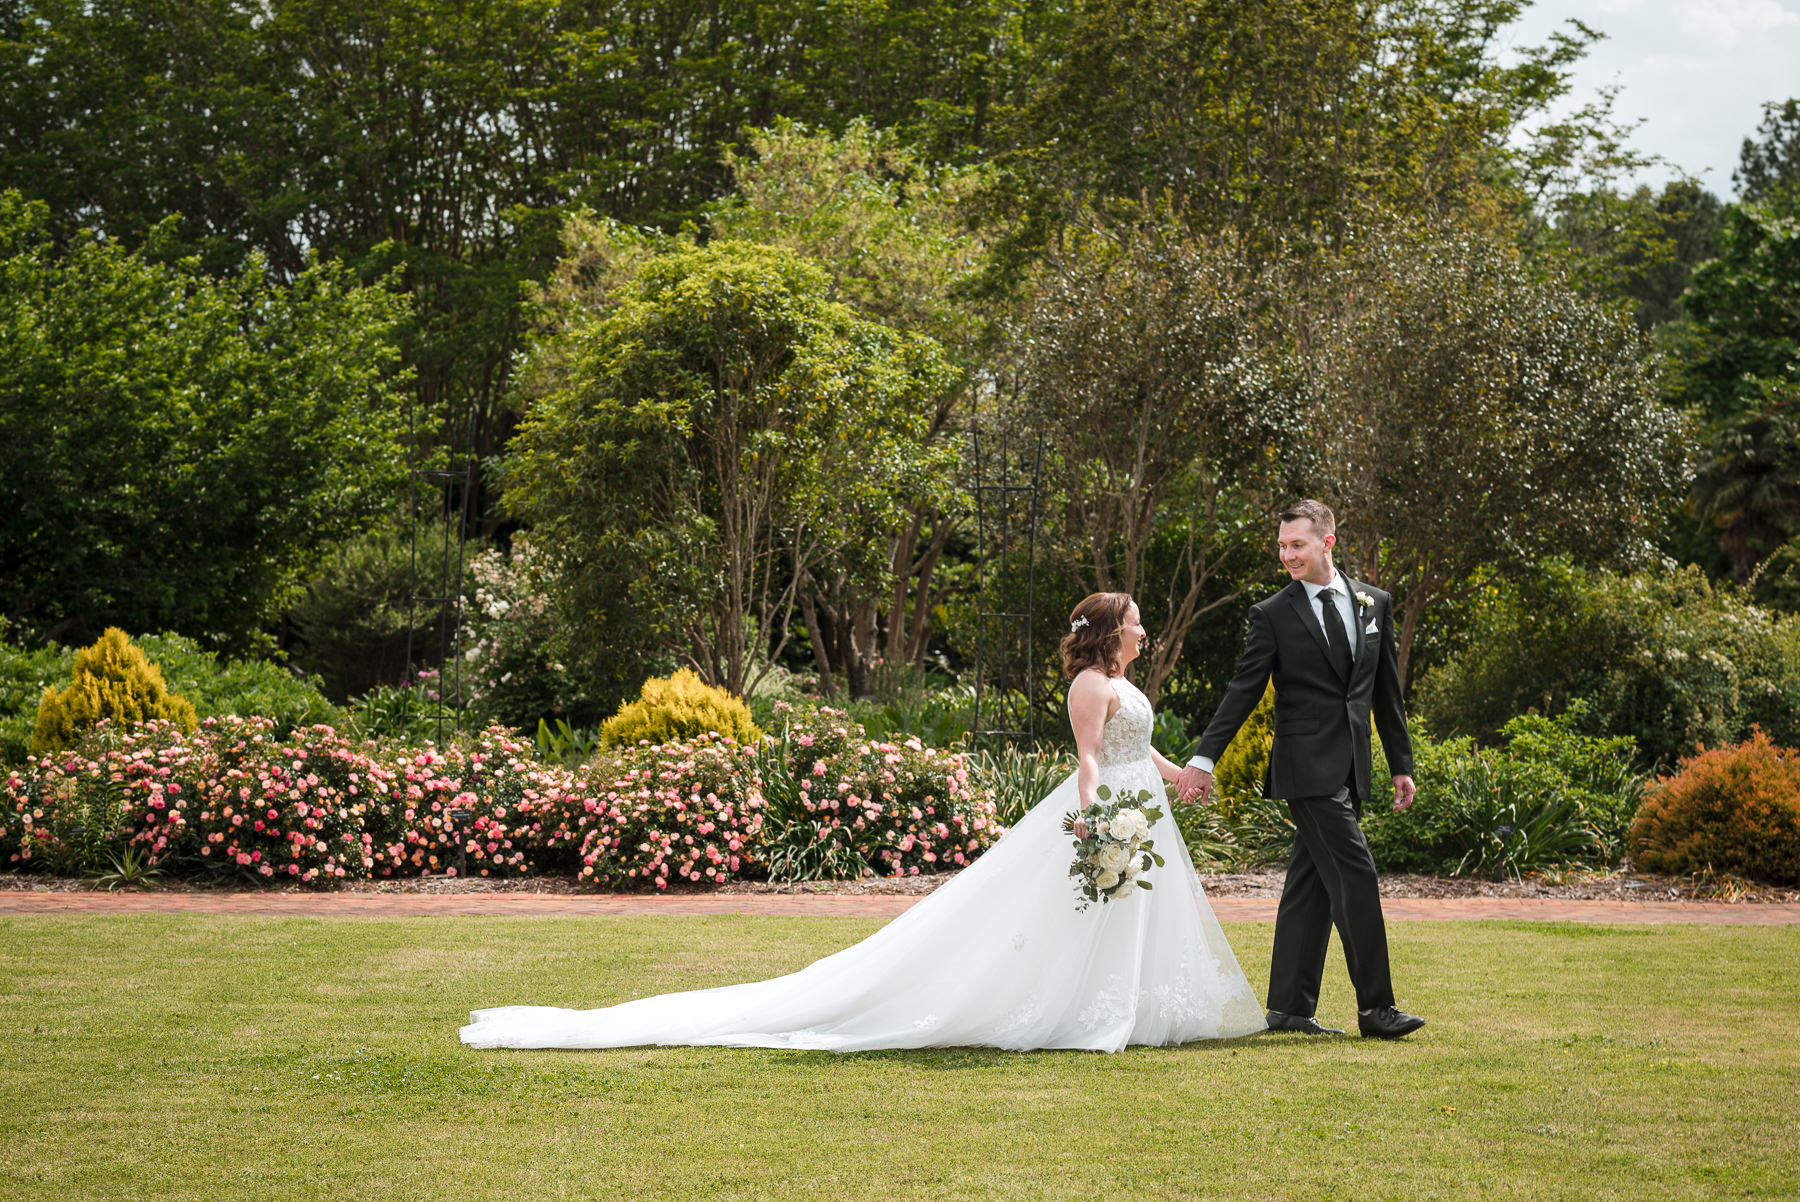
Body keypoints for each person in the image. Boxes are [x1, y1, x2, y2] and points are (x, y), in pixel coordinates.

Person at [460, 592, 1265, 1052]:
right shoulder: (1091, 684)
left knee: (1136, 913)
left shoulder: (1128, 682)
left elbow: (1138, 745)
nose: (1142, 627)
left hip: (1146, 805)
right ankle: (1095, 1014)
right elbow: (1090, 759)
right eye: (1133, 620)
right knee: (1082, 913)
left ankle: (1134, 1006)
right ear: (1108, 631)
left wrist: (1177, 776)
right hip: (1108, 811)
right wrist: (1091, 823)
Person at [1176, 499, 1426, 1039]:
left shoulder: (1373, 603)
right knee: (1355, 874)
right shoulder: (1272, 614)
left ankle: (1289, 1007)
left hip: (1353, 766)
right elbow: (1243, 690)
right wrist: (1203, 758)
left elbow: (1386, 693)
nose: (1287, 554)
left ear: (1327, 543)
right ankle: (1376, 1009)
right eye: (1283, 546)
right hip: (1305, 768)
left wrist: (1399, 764)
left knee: (1310, 885)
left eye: (1298, 545)